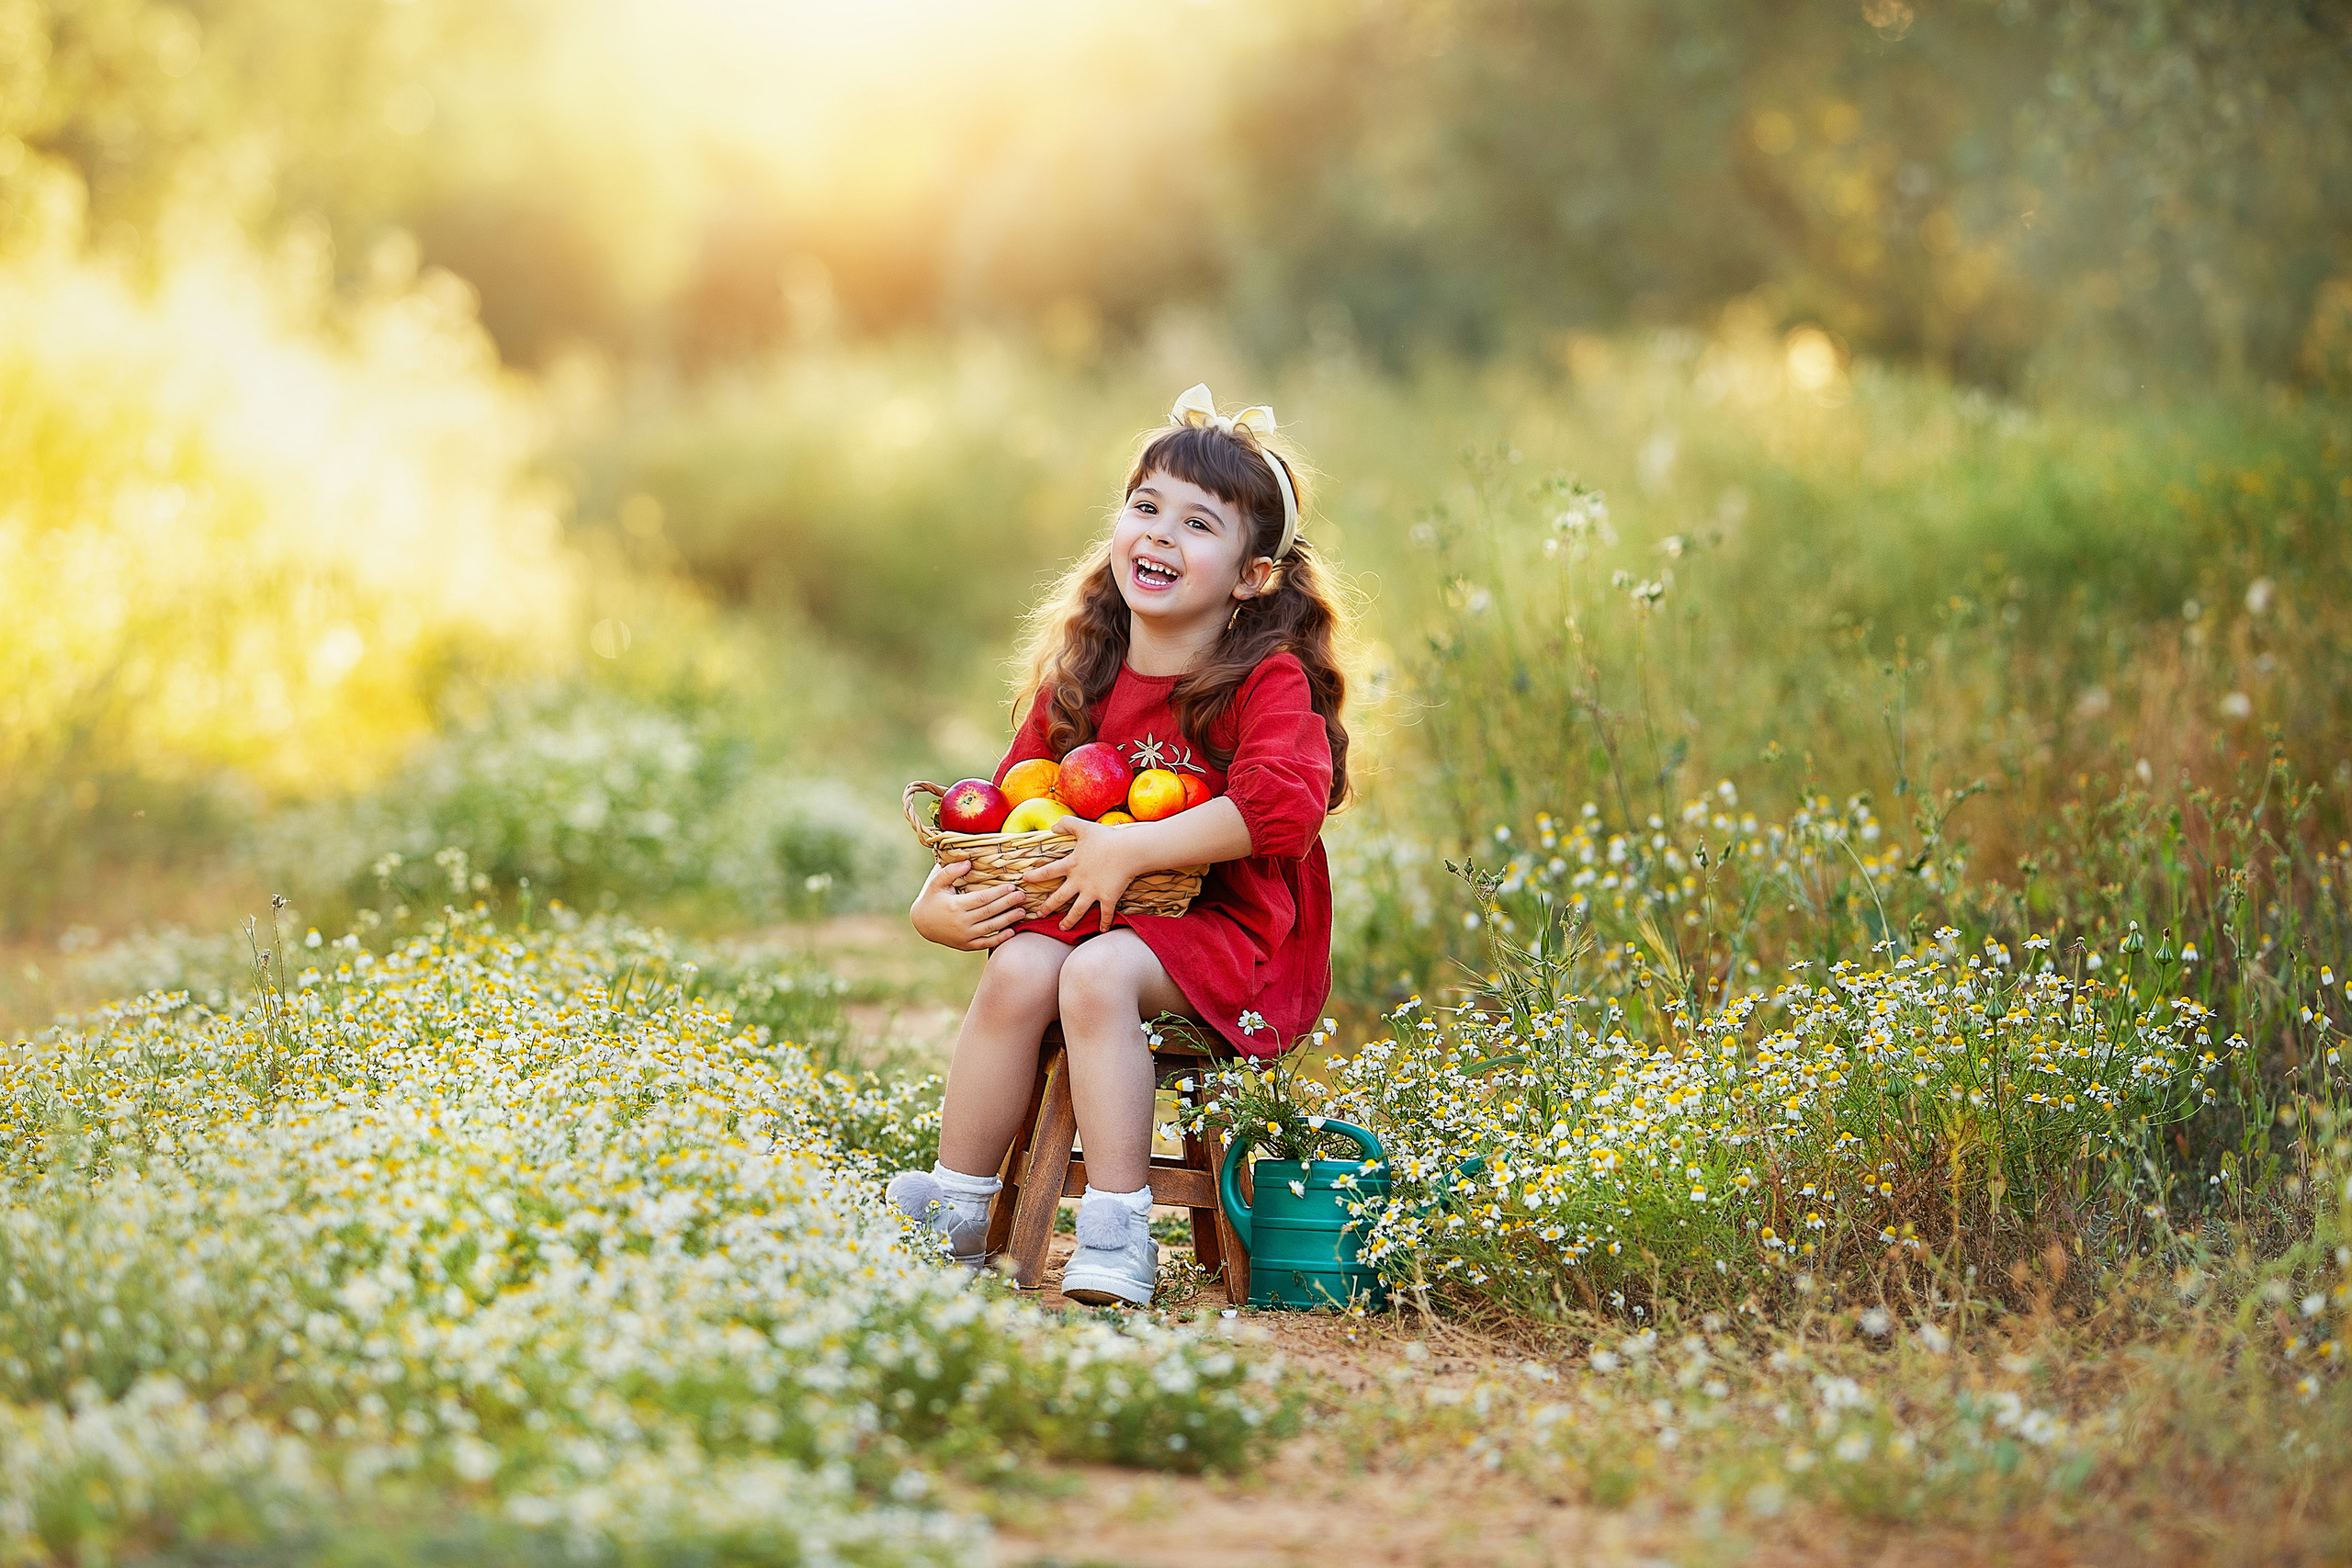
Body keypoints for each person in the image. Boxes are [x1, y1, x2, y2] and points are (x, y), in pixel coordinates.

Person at [890, 383, 1351, 1305]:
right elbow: (1005, 813)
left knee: (1096, 975)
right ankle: (957, 1210)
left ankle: (1116, 1227)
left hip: (1231, 932)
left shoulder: (1265, 680)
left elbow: (1280, 810)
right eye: (1146, 508)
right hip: (1087, 913)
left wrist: (1131, 852)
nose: (1159, 535)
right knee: (1020, 968)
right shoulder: (1085, 673)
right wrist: (939, 900)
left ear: (1252, 575)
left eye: (1197, 524)